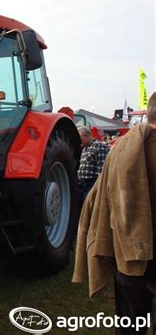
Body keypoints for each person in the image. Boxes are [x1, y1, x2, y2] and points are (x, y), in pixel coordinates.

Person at [73, 92, 156, 334]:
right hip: (140, 255)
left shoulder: (120, 151)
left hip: (127, 256)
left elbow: (97, 200)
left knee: (129, 325)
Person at [77, 126, 109, 203]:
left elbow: (102, 170)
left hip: (92, 184)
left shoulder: (99, 146)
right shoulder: (85, 148)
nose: (78, 141)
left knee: (88, 205)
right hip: (82, 184)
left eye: (79, 138)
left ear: (86, 136)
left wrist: (98, 188)